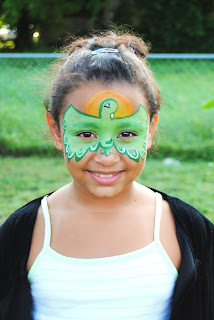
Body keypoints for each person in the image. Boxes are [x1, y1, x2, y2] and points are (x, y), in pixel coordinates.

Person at [0, 31, 213, 320]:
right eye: (86, 133)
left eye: (127, 133)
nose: (107, 155)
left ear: (150, 130)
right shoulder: (23, 232)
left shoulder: (188, 231)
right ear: (56, 130)